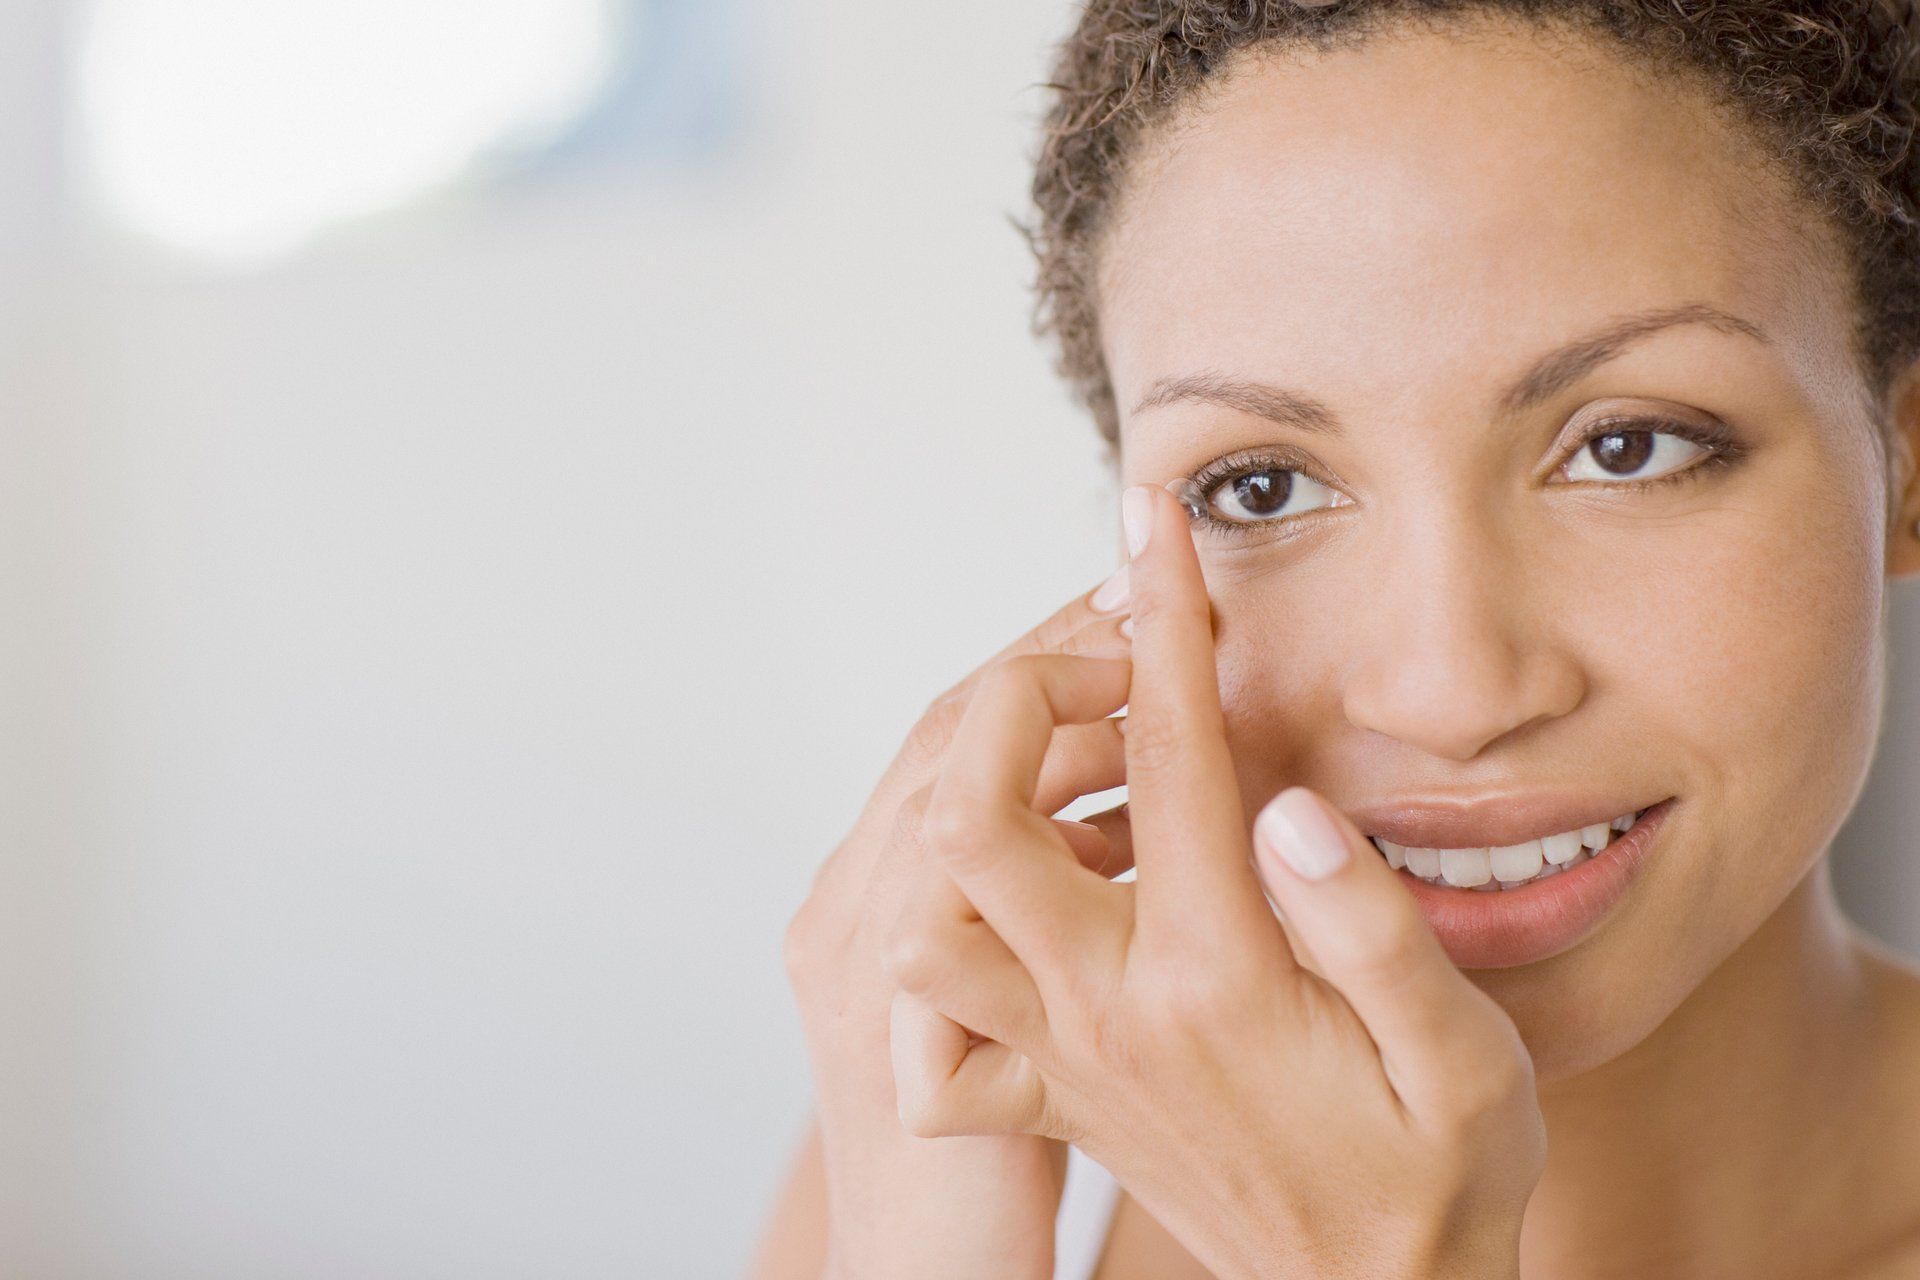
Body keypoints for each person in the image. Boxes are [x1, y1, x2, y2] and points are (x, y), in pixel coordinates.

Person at [751, 1, 1920, 1275]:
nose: (1451, 689)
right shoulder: (967, 1157)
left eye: (1627, 448)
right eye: (1260, 487)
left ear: (1905, 469)